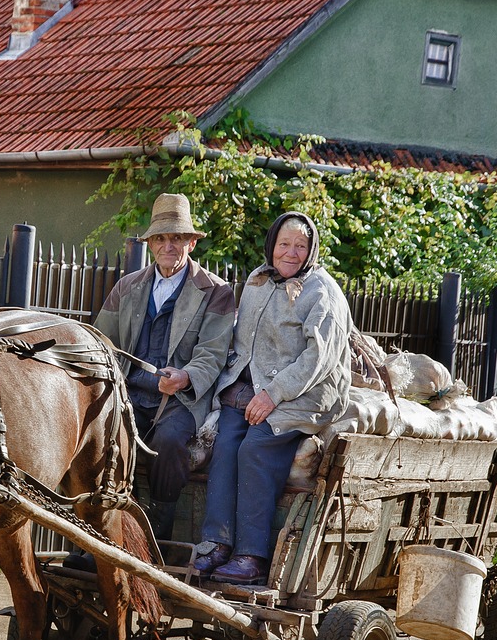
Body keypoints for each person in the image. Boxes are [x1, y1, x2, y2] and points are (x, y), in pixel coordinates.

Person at [193, 211, 352, 584]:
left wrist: (273, 393)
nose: (292, 252)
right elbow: (241, 341)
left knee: (255, 448)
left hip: (307, 394)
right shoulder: (259, 280)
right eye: (284, 244)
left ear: (312, 249)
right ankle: (215, 543)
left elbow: (319, 358)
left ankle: (252, 556)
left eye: (301, 245)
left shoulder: (321, 291)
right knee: (226, 443)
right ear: (272, 246)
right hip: (254, 389)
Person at [93, 193, 236, 549]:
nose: (168, 245)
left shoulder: (215, 292)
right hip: (126, 391)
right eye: (160, 238)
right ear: (151, 243)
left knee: (168, 444)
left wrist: (187, 376)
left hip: (181, 400)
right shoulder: (128, 287)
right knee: (100, 441)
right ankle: (96, 539)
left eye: (176, 238)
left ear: (191, 242)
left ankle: (158, 538)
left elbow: (213, 352)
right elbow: (102, 341)